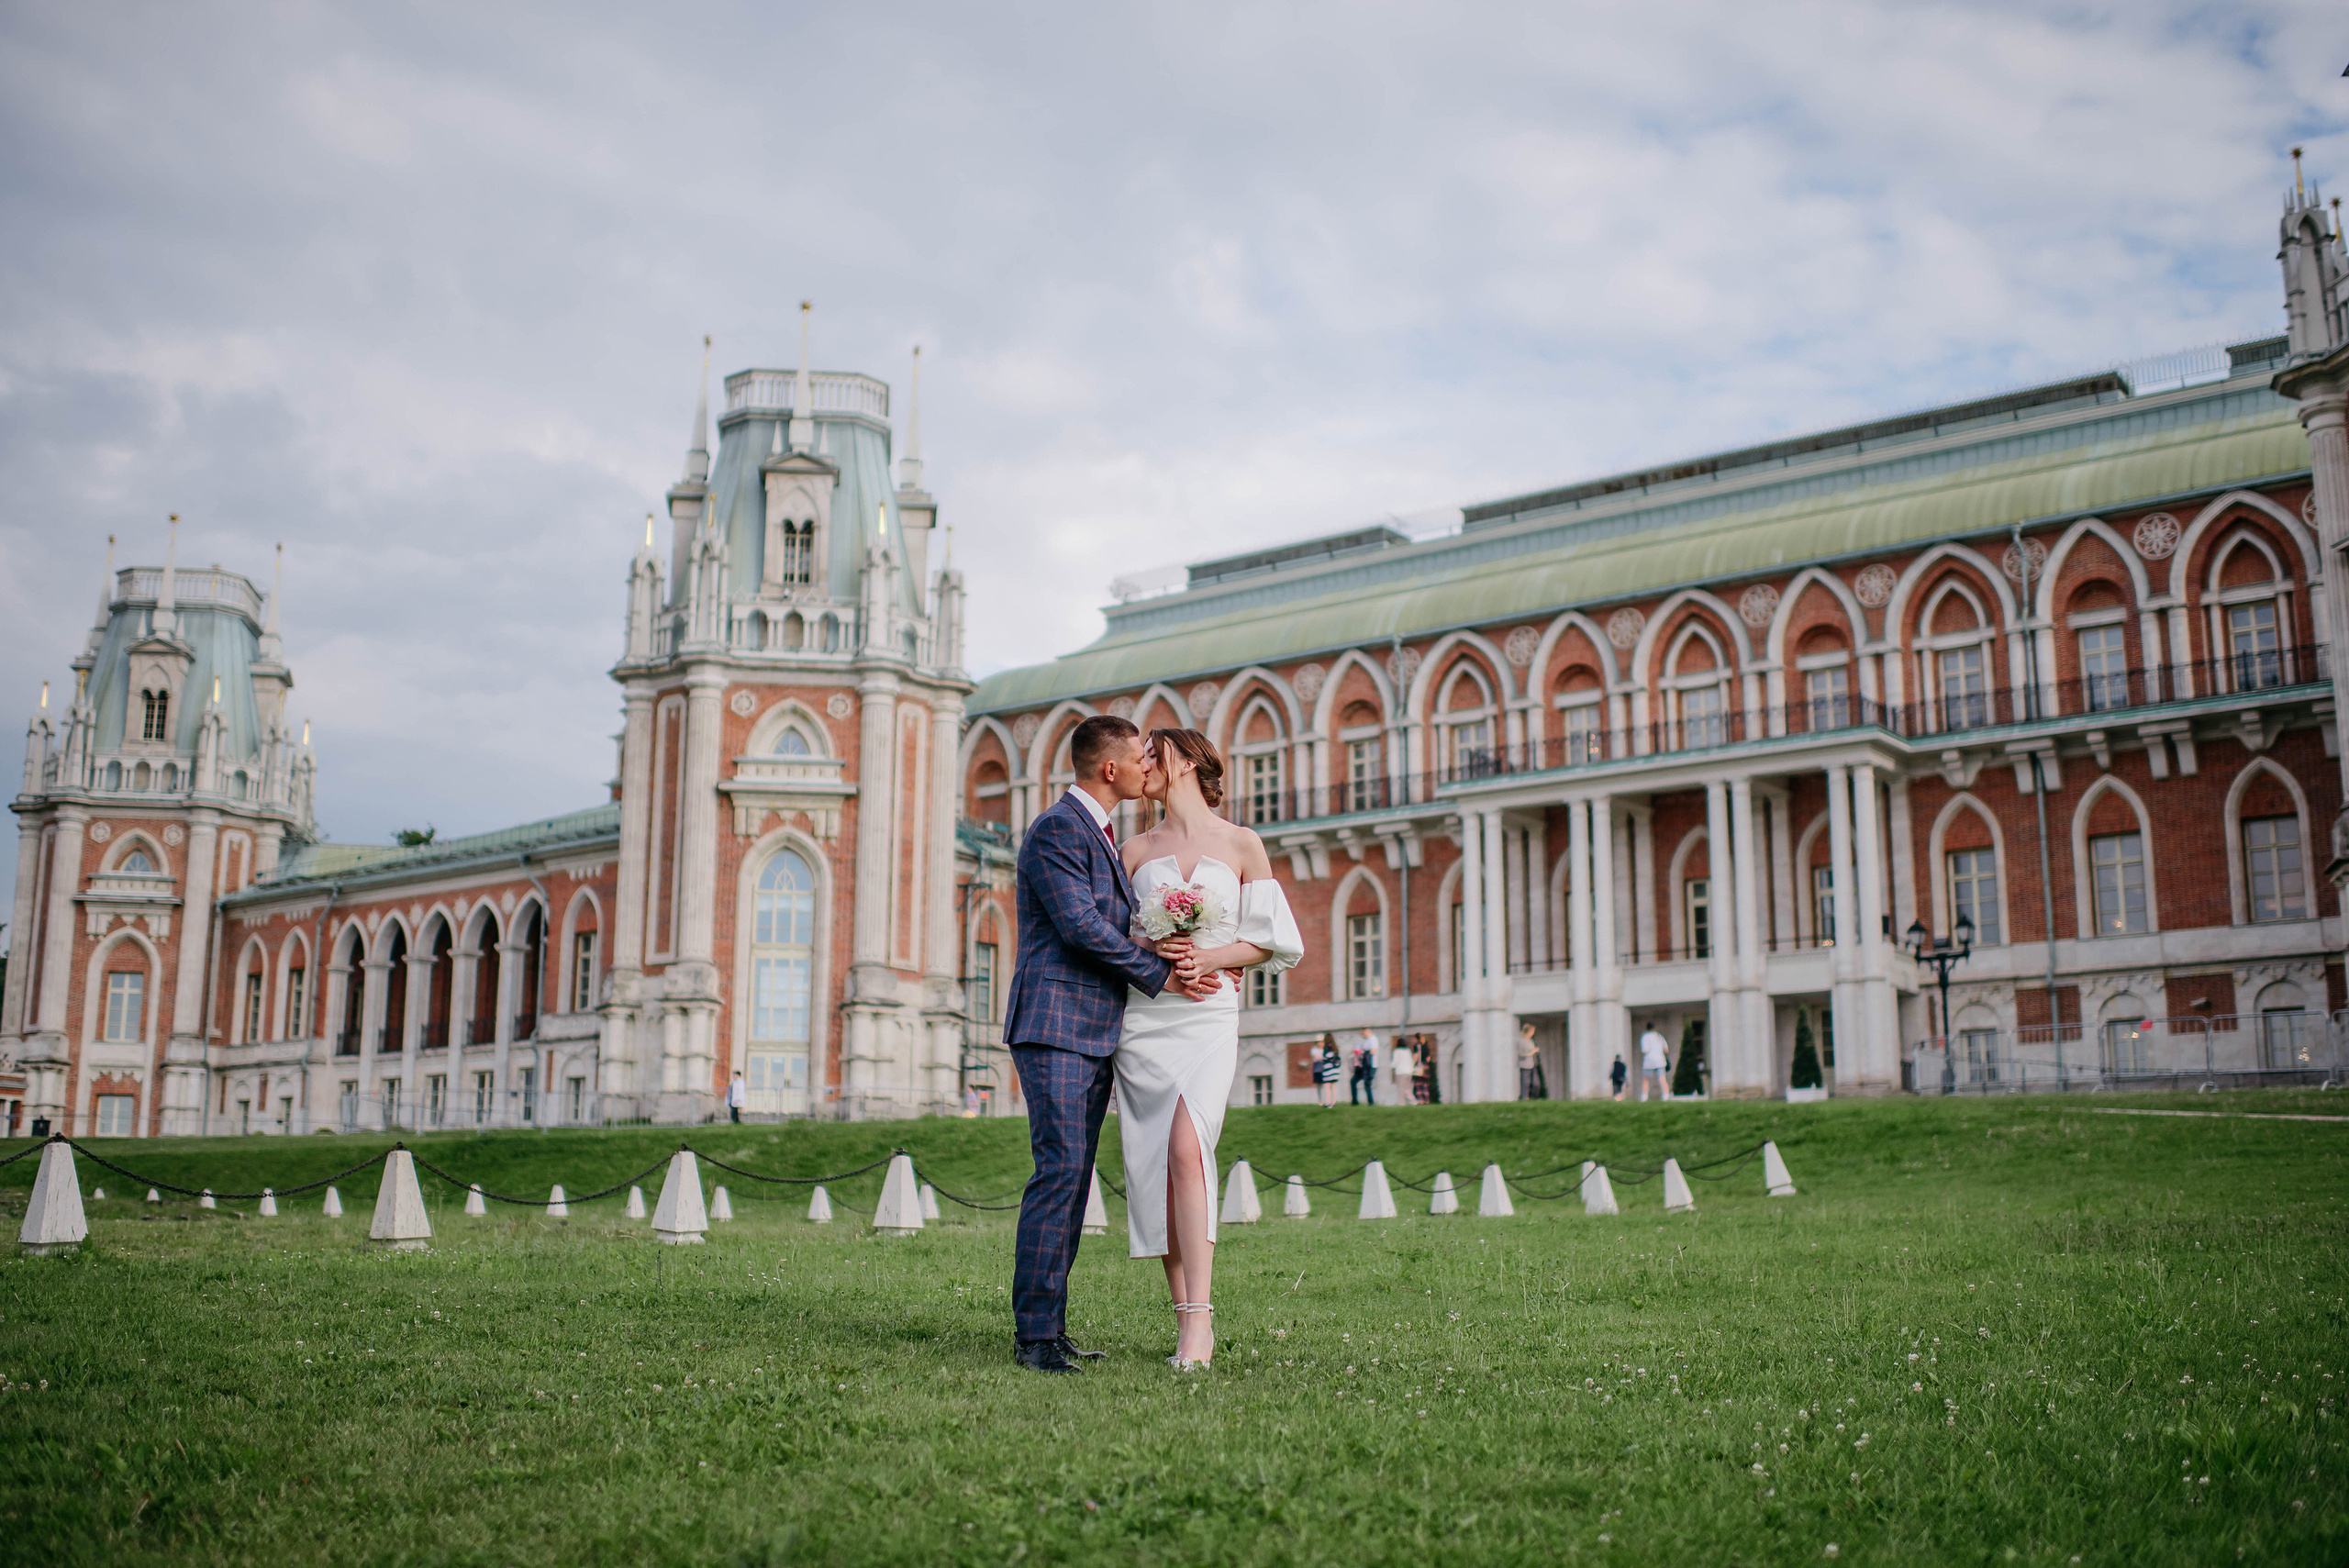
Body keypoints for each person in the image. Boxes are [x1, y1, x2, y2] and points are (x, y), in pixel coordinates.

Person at [1003, 714, 1219, 1376]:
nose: (1145, 768)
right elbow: (1080, 928)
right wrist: (1161, 974)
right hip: (1056, 1024)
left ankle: (1050, 1328)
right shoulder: (1058, 830)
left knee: (1071, 1181)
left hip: (1093, 1030)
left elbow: (1111, 924)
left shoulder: (1095, 832)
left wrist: (1180, 949)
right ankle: (1034, 1336)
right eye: (1138, 759)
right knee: (1059, 1175)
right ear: (1109, 769)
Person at [1114, 727, 1301, 1371]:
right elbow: (1112, 937)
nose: (1144, 765)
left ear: (1188, 759)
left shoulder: (1243, 843)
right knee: (1158, 1162)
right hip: (1146, 1019)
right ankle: (1183, 1317)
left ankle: (1203, 1323)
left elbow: (1270, 941)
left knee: (1189, 1148)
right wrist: (1156, 953)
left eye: (1153, 754)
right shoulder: (1134, 849)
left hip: (1209, 1015)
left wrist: (1208, 955)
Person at [1638, 1025, 1671, 1102]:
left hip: (1649, 1061)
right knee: (1662, 1078)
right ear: (1655, 1028)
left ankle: (1644, 1097)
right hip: (1660, 1060)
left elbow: (1644, 1050)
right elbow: (1666, 1049)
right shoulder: (1659, 1036)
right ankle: (1666, 1095)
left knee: (1646, 1079)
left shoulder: (1645, 1037)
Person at [1350, 1028, 1378, 1106]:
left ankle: (1371, 1102)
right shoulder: (1366, 1041)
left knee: (1367, 1084)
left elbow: (1373, 1051)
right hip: (1363, 1066)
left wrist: (1363, 1053)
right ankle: (1355, 1101)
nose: (1362, 1035)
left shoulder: (1373, 1039)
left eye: (1362, 1033)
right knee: (1353, 1081)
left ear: (1367, 1031)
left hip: (1370, 1066)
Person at [1312, 1035, 1341, 1107]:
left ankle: (1329, 1102)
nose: (1321, 1043)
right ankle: (1328, 1102)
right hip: (1327, 1069)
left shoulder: (1326, 1049)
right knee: (1328, 1086)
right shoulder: (1333, 1048)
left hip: (1327, 1069)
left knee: (1328, 1085)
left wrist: (1324, 1059)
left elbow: (1322, 1058)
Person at [1517, 1022, 1543, 1100]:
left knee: (1536, 1083)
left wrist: (1535, 1052)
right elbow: (1521, 1054)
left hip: (1532, 1064)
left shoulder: (1530, 1041)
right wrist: (1532, 1052)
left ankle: (1533, 1096)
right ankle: (1524, 1097)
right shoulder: (1522, 1041)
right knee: (1525, 1083)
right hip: (1524, 1065)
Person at [1388, 1034, 1414, 1105]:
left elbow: (1395, 1062)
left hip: (1400, 1072)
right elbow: (1411, 1062)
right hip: (1408, 1072)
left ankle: (1402, 1103)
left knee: (1401, 1089)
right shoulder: (1408, 1051)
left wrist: (1390, 1066)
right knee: (1407, 1089)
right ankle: (1413, 1102)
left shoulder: (1397, 1051)